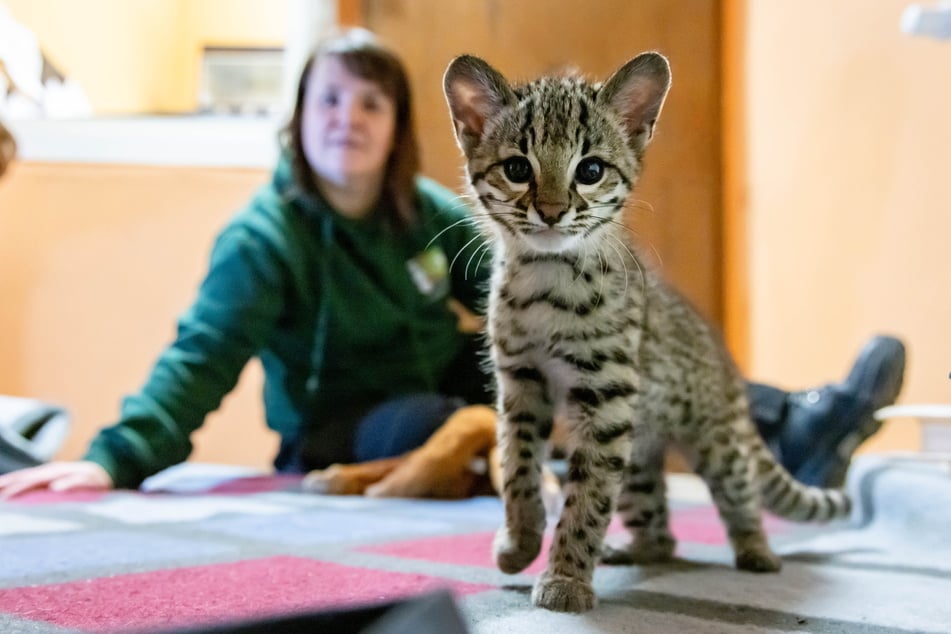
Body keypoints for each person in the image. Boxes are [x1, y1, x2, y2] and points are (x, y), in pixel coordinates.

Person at [0, 29, 906, 499]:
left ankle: (789, 421)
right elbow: (195, 361)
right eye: (329, 101)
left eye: (370, 105)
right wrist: (115, 461)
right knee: (468, 413)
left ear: (396, 127)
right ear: (299, 116)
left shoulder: (429, 215)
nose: (346, 120)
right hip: (345, 425)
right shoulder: (262, 240)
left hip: (446, 384)